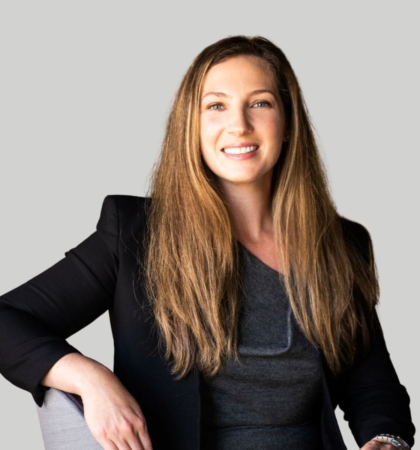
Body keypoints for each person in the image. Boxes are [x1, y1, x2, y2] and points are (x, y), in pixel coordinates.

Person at [0, 35, 415, 450]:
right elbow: (7, 320)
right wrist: (89, 377)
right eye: (216, 106)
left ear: (288, 124)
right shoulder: (133, 234)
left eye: (261, 103)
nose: (239, 124)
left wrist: (386, 440)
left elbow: (372, 384)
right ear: (192, 127)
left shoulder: (342, 244)